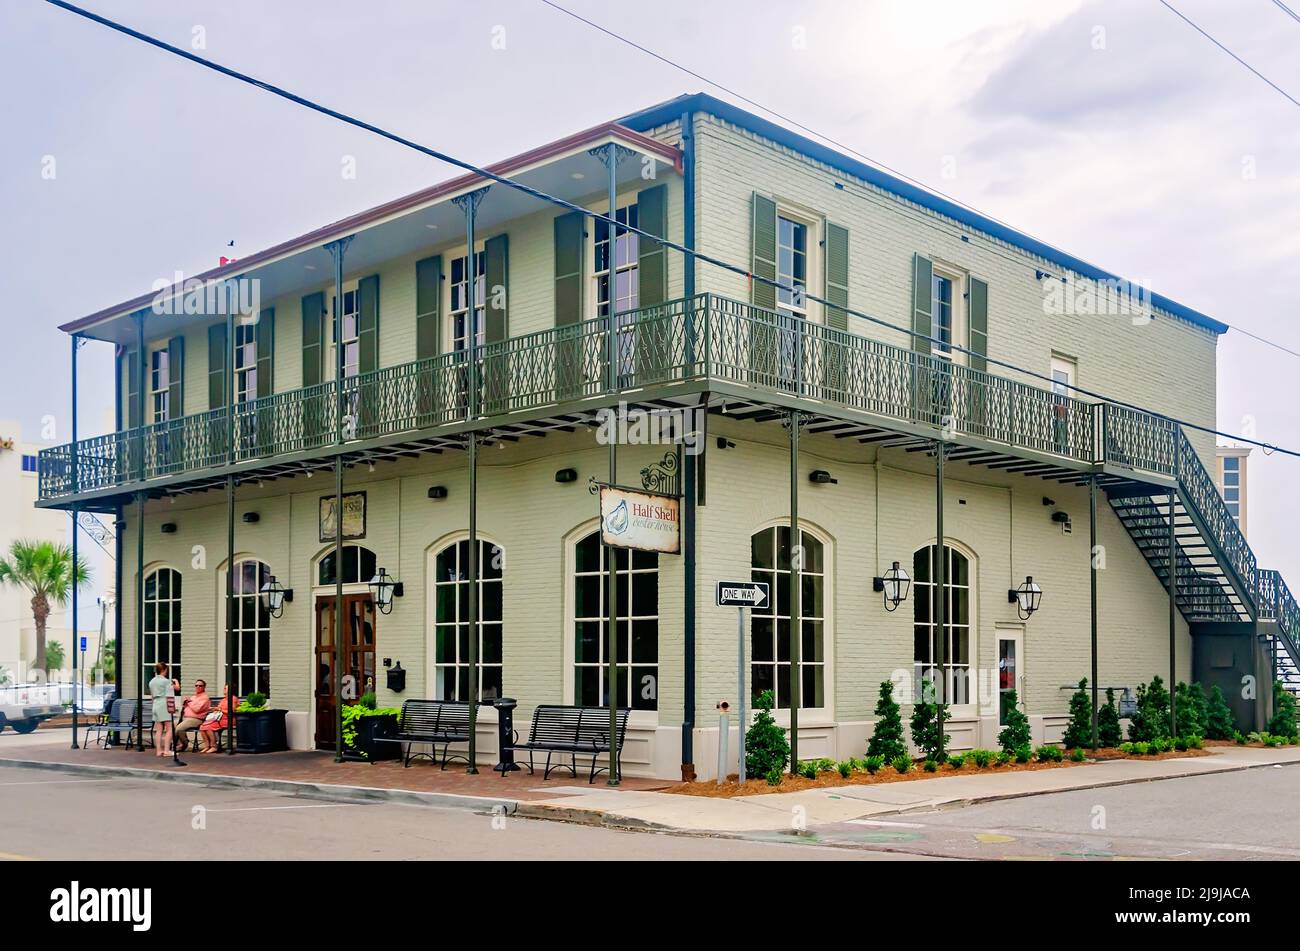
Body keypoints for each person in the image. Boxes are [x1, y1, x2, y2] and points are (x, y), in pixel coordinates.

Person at [146, 662, 174, 757]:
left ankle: (159, 750)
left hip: (156, 705)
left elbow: (152, 696)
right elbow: (171, 692)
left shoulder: (151, 681)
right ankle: (167, 750)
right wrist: (176, 683)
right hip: (164, 704)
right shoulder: (166, 681)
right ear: (164, 670)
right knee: (169, 728)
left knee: (159, 730)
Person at [199, 684, 238, 753]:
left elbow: (232, 711)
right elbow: (219, 708)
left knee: (208, 727)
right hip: (220, 718)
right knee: (202, 727)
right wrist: (214, 709)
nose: (224, 690)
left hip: (228, 720)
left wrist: (221, 710)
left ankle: (214, 746)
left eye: (226, 688)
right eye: (224, 688)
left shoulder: (233, 698)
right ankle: (207, 746)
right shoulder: (223, 699)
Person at [175, 680, 211, 752]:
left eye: (200, 686)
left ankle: (184, 744)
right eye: (196, 685)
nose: (198, 687)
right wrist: (185, 704)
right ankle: (175, 745)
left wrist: (189, 702)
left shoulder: (205, 698)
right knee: (172, 725)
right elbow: (187, 707)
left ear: (204, 687)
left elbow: (197, 709)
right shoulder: (193, 697)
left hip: (196, 719)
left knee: (179, 728)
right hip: (186, 718)